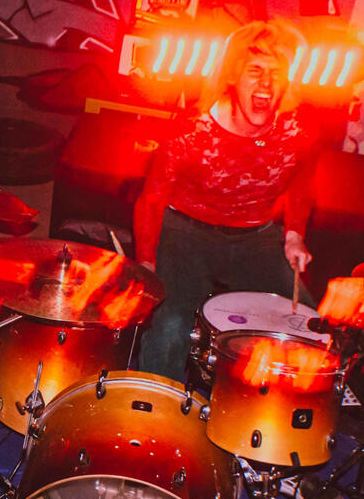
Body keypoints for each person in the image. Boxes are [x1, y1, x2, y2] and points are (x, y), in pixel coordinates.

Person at [134, 20, 317, 381]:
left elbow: (301, 182)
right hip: (186, 232)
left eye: (276, 73)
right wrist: (146, 262)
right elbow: (151, 200)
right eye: (255, 71)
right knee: (170, 326)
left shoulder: (298, 131)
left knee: (307, 325)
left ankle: (263, 408)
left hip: (257, 236)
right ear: (233, 76)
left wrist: (295, 234)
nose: (266, 84)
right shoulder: (191, 130)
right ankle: (155, 403)